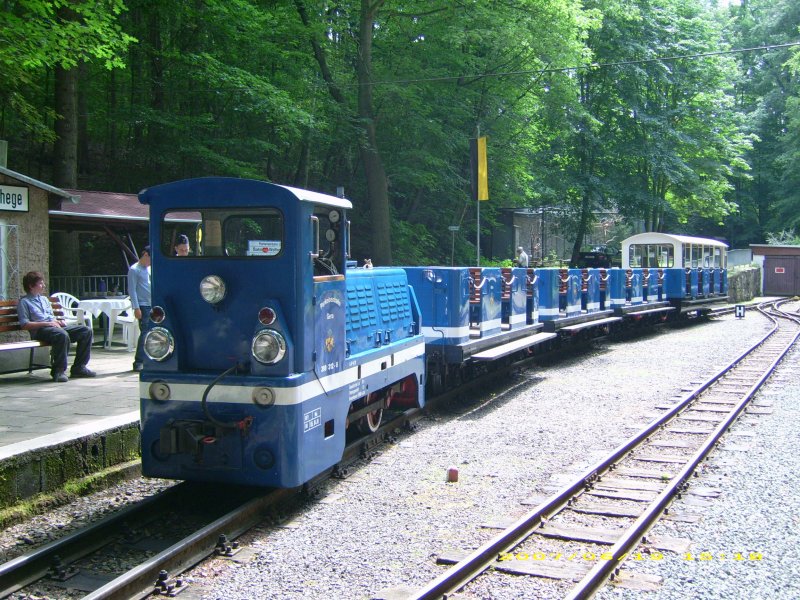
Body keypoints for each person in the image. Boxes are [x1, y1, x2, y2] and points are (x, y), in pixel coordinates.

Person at [18, 271, 96, 383]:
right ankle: (58, 371)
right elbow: (25, 324)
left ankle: (79, 367)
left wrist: (58, 321)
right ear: (31, 286)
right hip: (40, 331)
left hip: (54, 328)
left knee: (86, 331)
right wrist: (47, 324)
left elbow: (51, 318)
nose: (44, 285)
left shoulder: (44, 299)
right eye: (40, 283)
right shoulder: (24, 302)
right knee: (61, 335)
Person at [128, 245, 152, 372]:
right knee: (145, 332)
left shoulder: (149, 269)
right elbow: (132, 290)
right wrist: (136, 307)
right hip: (142, 305)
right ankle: (138, 361)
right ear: (145, 255)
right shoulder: (134, 270)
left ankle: (148, 359)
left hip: (151, 303)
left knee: (151, 332)